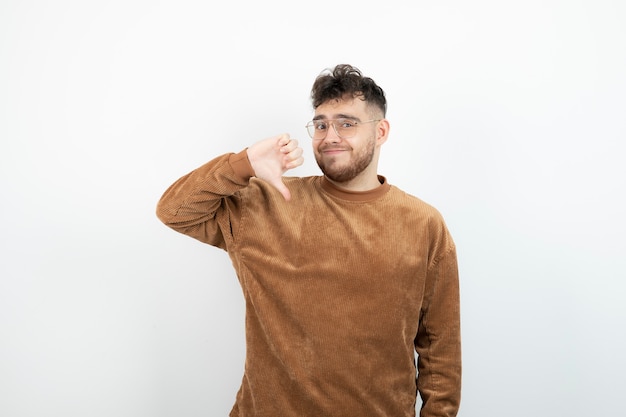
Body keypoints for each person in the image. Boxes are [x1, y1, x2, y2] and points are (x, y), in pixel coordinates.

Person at [156, 64, 461, 417]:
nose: (330, 135)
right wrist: (243, 164)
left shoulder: (423, 224)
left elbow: (441, 347)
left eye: (347, 123)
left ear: (381, 132)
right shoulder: (265, 203)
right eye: (320, 124)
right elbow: (175, 211)